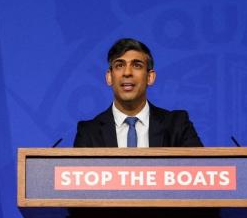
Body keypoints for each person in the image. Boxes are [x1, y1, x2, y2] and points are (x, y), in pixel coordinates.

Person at [74, 38, 202, 147]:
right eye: (119, 65)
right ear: (109, 77)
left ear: (150, 77)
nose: (127, 73)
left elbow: (200, 170)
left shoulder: (177, 125)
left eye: (137, 65)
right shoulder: (89, 132)